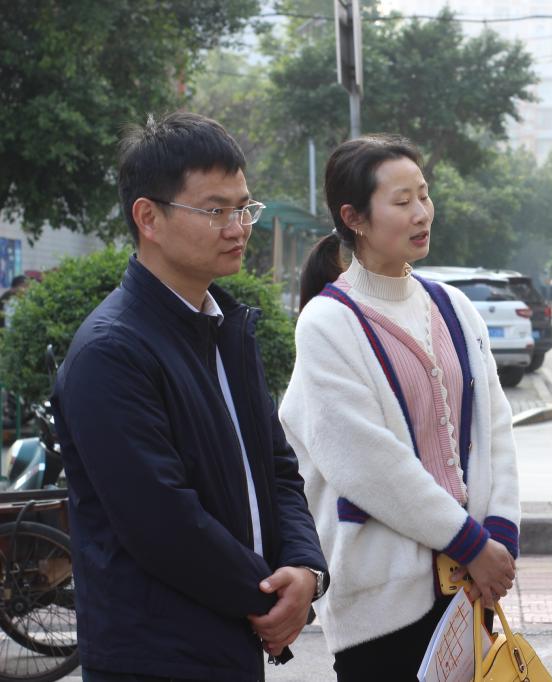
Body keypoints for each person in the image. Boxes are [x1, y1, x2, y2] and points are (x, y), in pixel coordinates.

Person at [51, 112, 329, 681]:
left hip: (231, 645)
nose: (238, 228)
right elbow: (163, 523)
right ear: (148, 217)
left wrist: (305, 569)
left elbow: (277, 470)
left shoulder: (226, 329)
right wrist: (269, 597)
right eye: (214, 211)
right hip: (154, 656)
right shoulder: (112, 351)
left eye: (244, 208)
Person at [278, 134, 520, 681]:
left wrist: (500, 536)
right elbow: (366, 461)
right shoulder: (328, 322)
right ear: (354, 218)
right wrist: (471, 543)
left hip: (468, 590)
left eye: (424, 195)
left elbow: (496, 429)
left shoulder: (454, 307)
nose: (421, 213)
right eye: (402, 200)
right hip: (382, 605)